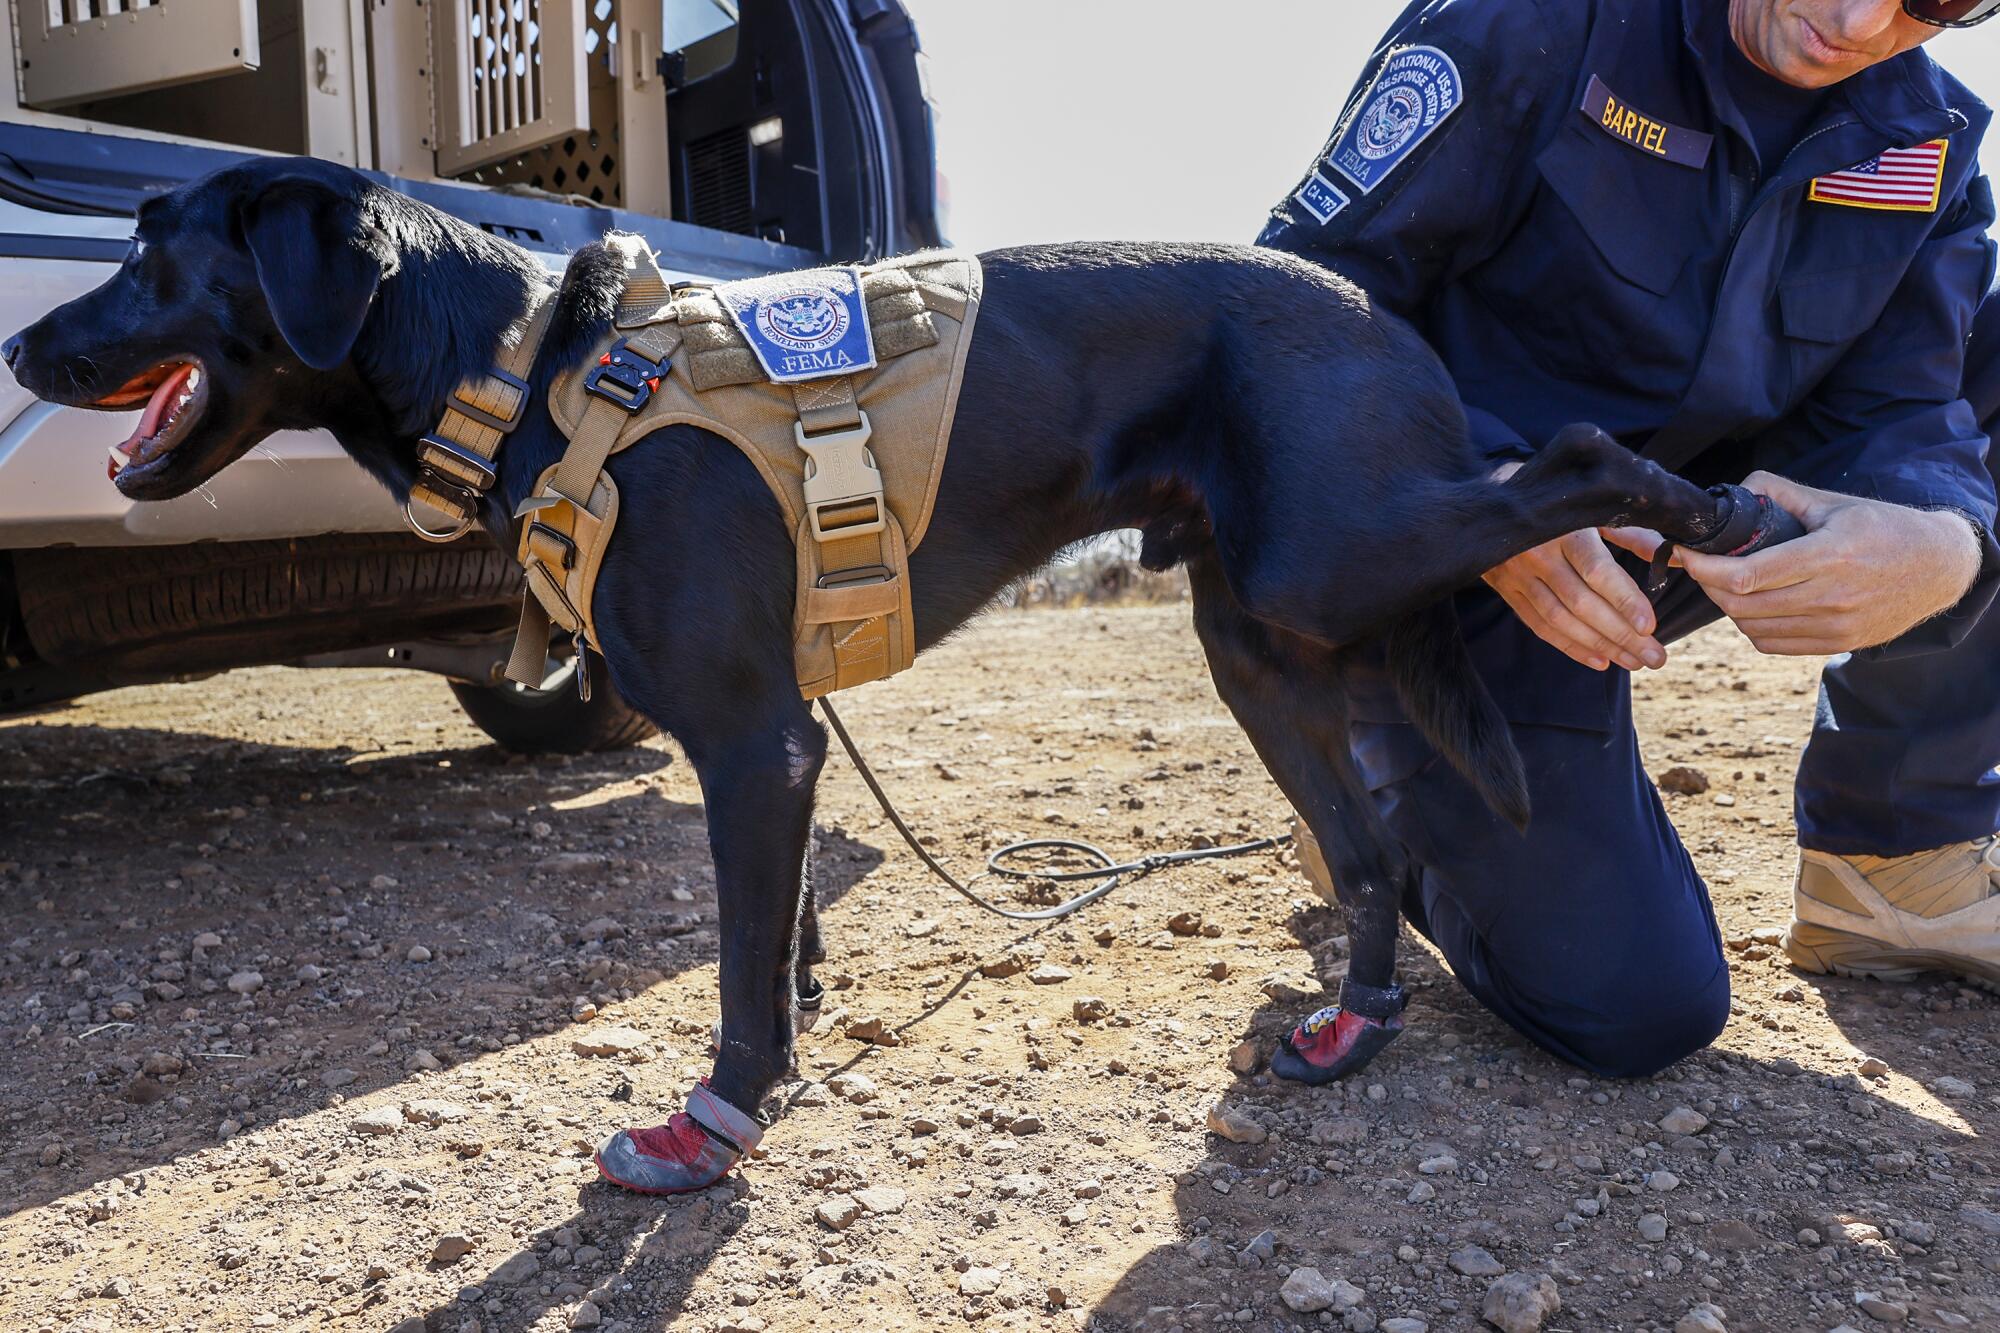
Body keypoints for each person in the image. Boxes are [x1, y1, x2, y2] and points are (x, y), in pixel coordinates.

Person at [1258, 0, 2000, 1081]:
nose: (1854, 19)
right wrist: (1477, 494)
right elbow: (1287, 311)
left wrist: (1943, 546)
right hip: (1424, 555)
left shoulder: (1924, 140)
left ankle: (1898, 854)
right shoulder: (1525, 25)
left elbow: (1906, 414)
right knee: (1636, 1007)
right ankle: (1370, 801)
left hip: (1651, 534)